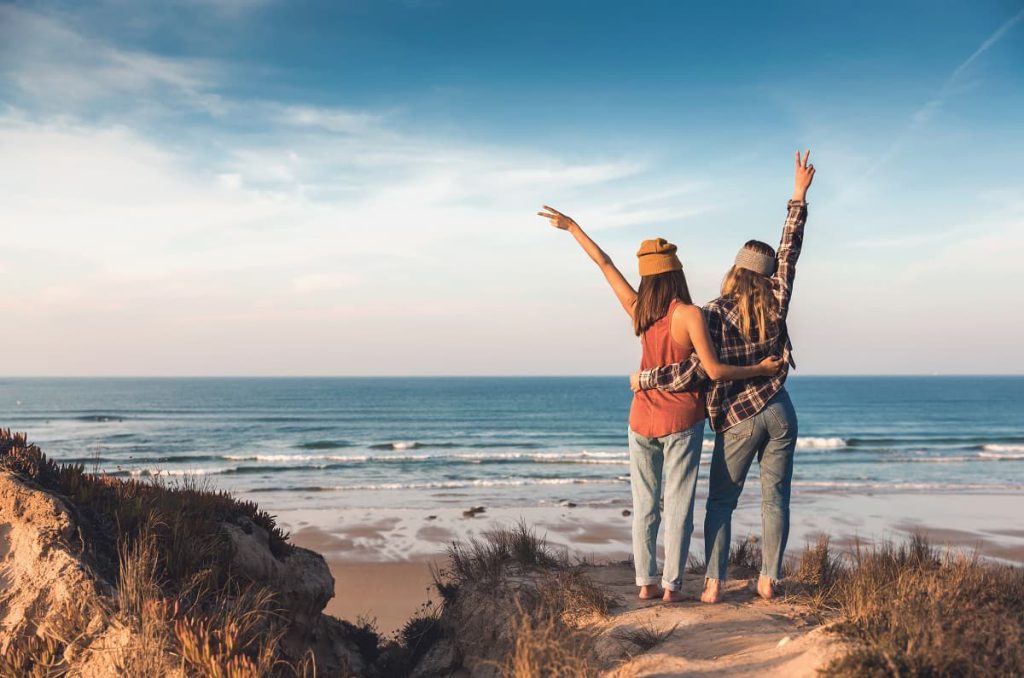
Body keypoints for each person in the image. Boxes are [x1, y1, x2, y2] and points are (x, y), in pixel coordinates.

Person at [539, 205, 782, 602]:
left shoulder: (637, 310)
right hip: (682, 419)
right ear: (677, 274)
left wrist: (573, 228)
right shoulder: (689, 315)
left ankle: (645, 583)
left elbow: (605, 264)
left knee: (645, 506)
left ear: (647, 277)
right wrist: (759, 367)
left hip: (640, 419)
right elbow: (715, 370)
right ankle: (672, 588)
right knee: (679, 506)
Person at [631, 150, 815, 603]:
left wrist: (649, 379)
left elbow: (695, 371)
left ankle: (713, 584)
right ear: (767, 275)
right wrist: (798, 196)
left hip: (738, 418)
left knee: (721, 503)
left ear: (734, 269)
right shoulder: (778, 298)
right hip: (780, 410)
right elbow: (790, 248)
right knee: (776, 499)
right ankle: (769, 579)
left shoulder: (711, 313)